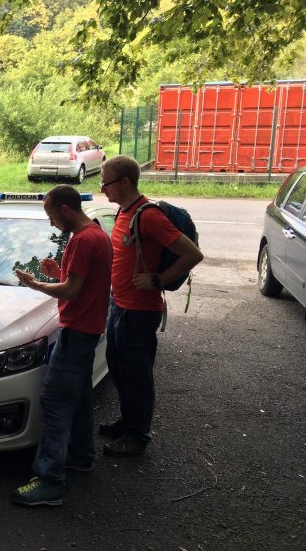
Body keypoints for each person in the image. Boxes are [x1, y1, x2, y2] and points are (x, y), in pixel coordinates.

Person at [10, 185, 112, 506]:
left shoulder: (82, 240)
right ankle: (81, 455)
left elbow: (70, 292)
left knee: (54, 402)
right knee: (79, 395)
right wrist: (59, 273)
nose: (52, 223)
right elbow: (81, 282)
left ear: (66, 210)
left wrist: (35, 283)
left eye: (52, 215)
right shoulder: (97, 234)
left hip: (76, 331)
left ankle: (49, 479)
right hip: (88, 329)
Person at [99, 156, 203, 456]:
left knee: (136, 375)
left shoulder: (148, 216)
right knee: (119, 370)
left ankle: (137, 436)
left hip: (140, 312)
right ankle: (128, 420)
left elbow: (192, 254)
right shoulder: (124, 212)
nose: (103, 188)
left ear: (125, 183)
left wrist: (159, 279)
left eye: (106, 183)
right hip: (120, 306)